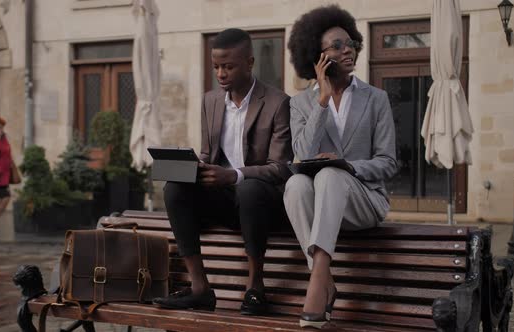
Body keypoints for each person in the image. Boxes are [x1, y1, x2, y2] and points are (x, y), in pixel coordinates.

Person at [153, 28, 293, 315]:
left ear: (250, 62)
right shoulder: (211, 101)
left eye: (228, 66)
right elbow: (207, 155)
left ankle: (255, 287)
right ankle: (200, 288)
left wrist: (234, 175)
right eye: (216, 67)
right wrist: (194, 167)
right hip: (224, 200)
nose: (221, 73)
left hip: (263, 204)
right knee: (175, 187)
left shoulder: (278, 102)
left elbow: (280, 168)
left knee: (249, 187)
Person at [284, 5, 398, 329]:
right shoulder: (301, 103)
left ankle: (318, 277)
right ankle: (327, 285)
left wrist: (347, 166)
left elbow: (388, 163)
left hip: (364, 202)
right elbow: (301, 154)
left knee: (332, 174)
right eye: (336, 45)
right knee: (295, 185)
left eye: (350, 43)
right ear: (318, 57)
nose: (347, 49)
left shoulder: (376, 99)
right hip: (321, 204)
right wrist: (321, 100)